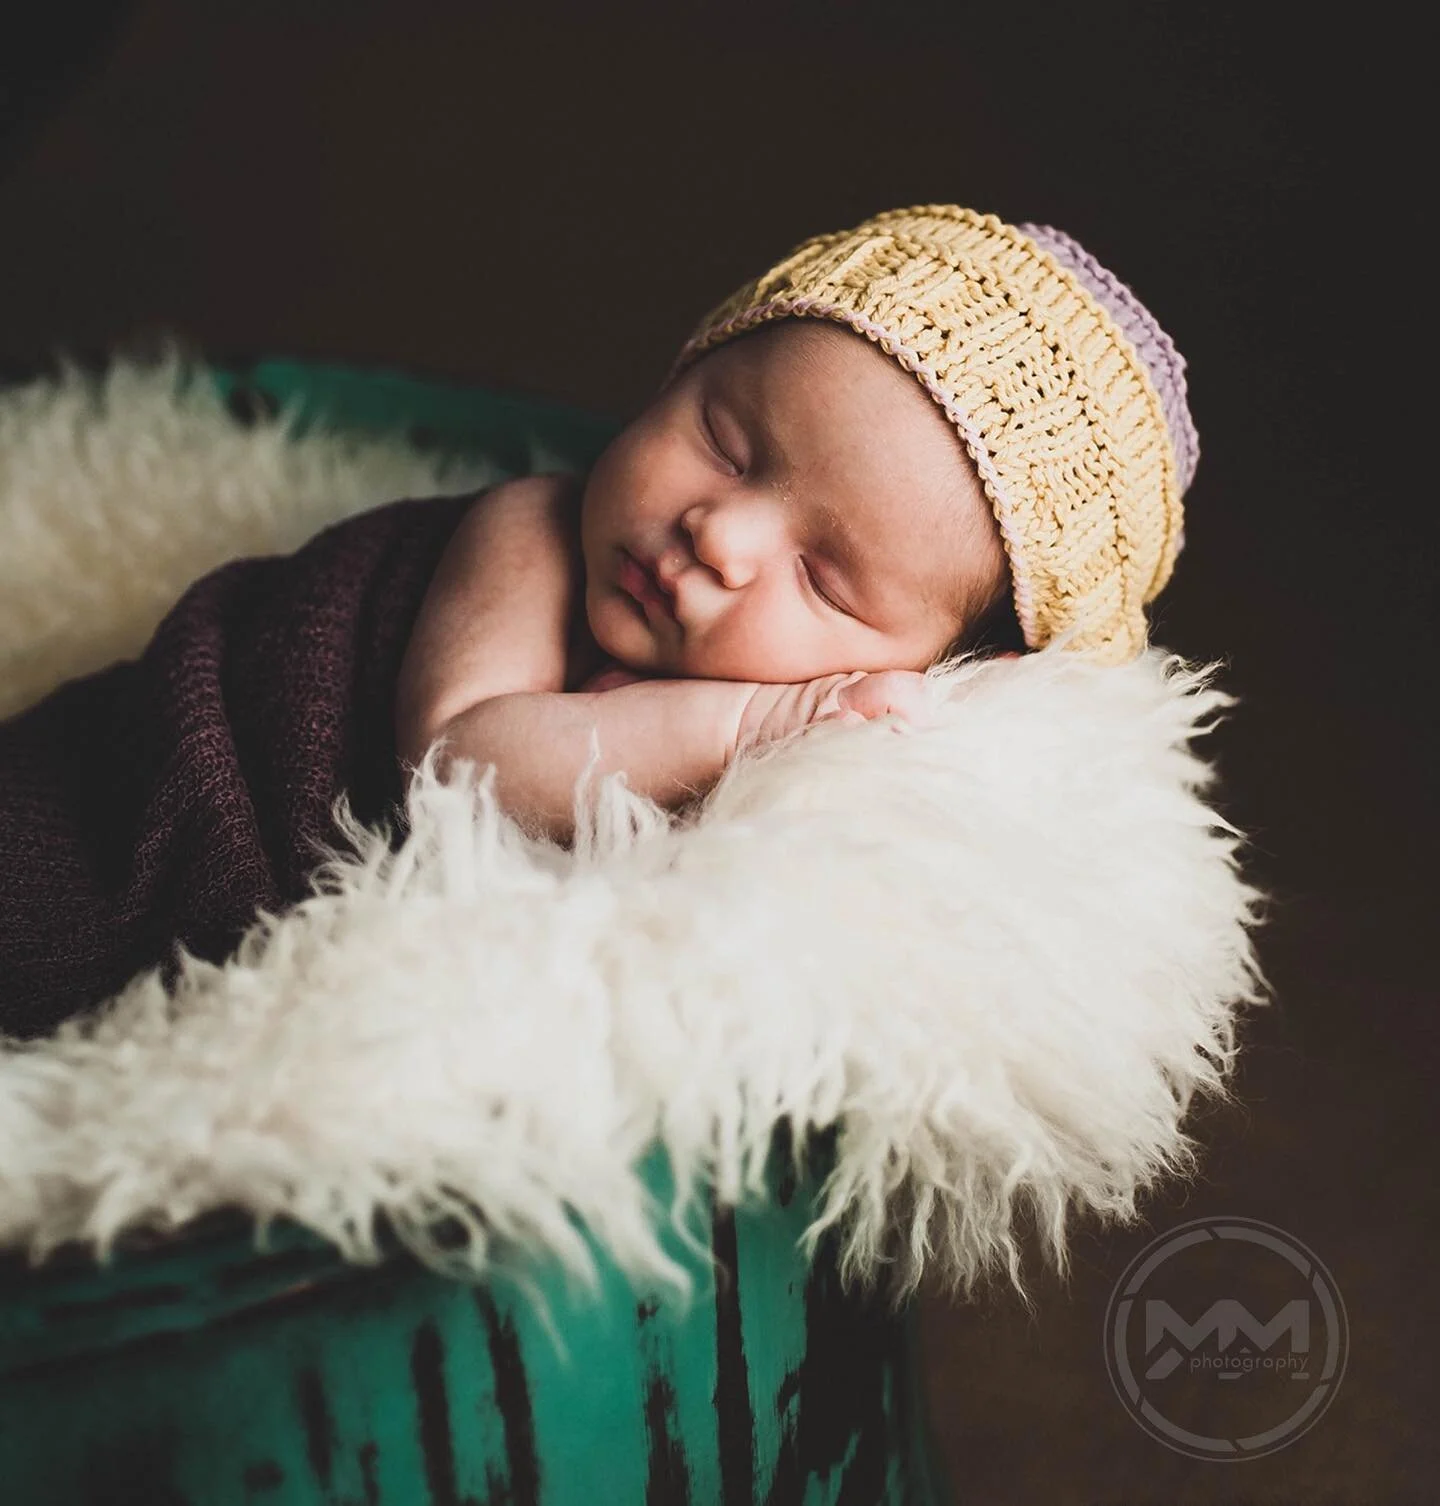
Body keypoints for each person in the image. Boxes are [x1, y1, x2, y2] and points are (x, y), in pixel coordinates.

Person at [396, 204, 1198, 843]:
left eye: (821, 581)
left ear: (946, 666)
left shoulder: (860, 752)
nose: (719, 537)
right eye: (725, 445)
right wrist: (747, 723)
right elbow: (451, 766)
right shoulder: (531, 531)